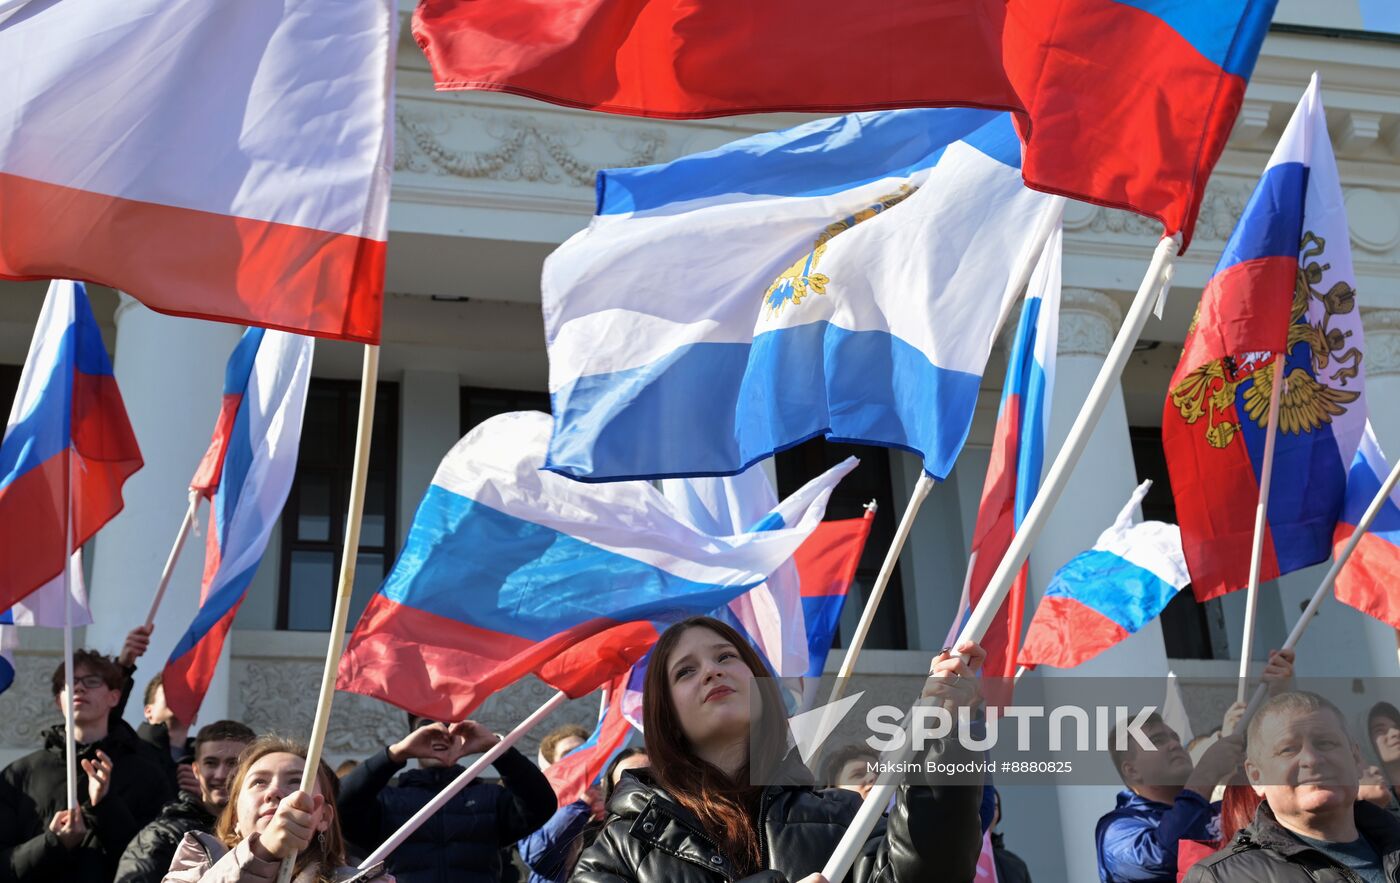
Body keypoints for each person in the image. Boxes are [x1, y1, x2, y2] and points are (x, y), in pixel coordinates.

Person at [571, 615, 987, 883]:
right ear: (666, 715)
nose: (712, 671)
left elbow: (932, 873)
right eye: (685, 671)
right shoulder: (621, 846)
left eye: (726, 656)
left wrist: (943, 736)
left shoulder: (840, 816)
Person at [1097, 649, 1295, 883]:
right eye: (1158, 740)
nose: (1174, 745)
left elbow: (1288, 804)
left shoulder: (1219, 808)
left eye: (1174, 738)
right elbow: (1162, 858)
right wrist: (1206, 773)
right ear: (1132, 770)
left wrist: (1280, 698)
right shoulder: (1117, 830)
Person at [1184, 691, 1400, 881]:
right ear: (1256, 777)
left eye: (1325, 743)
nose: (1312, 759)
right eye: (1288, 749)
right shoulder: (1220, 878)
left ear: (1355, 756)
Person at [0, 648, 174, 881]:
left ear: (114, 696)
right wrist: (53, 842)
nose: (79, 688)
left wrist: (105, 806)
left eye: (92, 681)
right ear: (58, 700)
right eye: (69, 683)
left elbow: (158, 863)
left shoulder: (147, 773)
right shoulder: (19, 774)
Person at [336, 714, 556, 883]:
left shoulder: (490, 798)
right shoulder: (387, 801)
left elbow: (542, 804)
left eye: (448, 725)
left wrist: (497, 750)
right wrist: (394, 754)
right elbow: (339, 807)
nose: (439, 733)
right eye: (426, 726)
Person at [164, 734, 395, 883]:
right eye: (259, 782)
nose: (274, 792)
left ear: (323, 816)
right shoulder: (195, 862)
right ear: (234, 815)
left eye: (296, 782)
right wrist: (262, 852)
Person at [116, 720, 257, 883]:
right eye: (211, 763)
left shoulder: (267, 831)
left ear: (252, 769)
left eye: (232, 763)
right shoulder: (161, 837)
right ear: (196, 770)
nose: (220, 775)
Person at [521, 749, 649, 883]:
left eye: (648, 779)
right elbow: (538, 857)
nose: (641, 789)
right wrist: (580, 806)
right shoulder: (592, 833)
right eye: (570, 753)